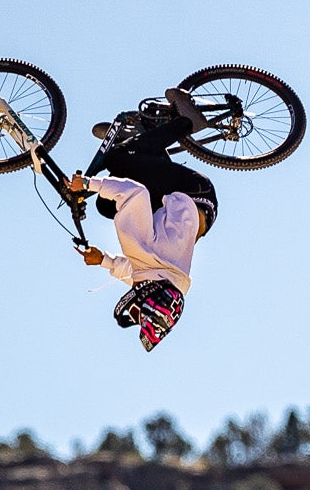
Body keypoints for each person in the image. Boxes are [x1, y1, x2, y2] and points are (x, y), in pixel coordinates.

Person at [68, 92, 218, 352]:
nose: (134, 309)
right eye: (139, 311)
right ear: (149, 295)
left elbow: (136, 271)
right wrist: (88, 184)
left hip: (200, 208)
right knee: (117, 159)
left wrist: (103, 259)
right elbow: (135, 194)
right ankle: (186, 121)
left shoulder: (171, 282)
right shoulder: (146, 254)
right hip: (190, 191)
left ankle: (146, 143)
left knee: (106, 205)